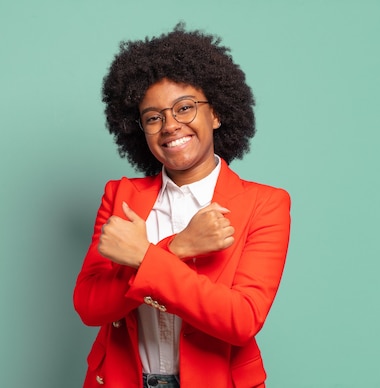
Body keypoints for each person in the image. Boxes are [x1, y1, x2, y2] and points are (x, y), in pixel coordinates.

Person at [73, 23, 291, 388]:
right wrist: (177, 248)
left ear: (217, 114)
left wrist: (145, 257)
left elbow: (242, 319)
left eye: (185, 108)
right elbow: (90, 306)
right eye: (153, 117)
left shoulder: (264, 204)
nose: (170, 126)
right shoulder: (121, 195)